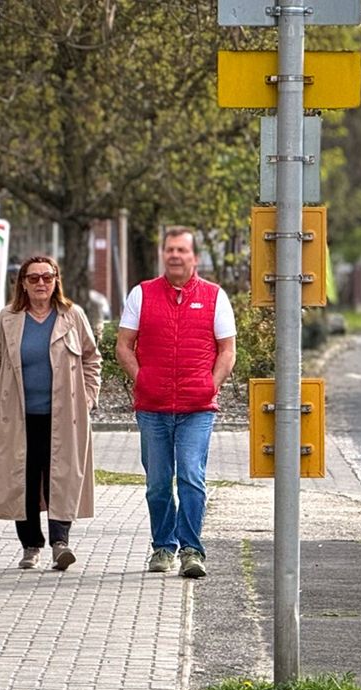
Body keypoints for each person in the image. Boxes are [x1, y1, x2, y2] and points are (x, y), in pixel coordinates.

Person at [115, 227, 236, 579]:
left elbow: (227, 350)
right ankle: (163, 547)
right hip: (152, 408)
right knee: (157, 482)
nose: (175, 255)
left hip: (196, 409)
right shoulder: (142, 294)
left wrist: (209, 385)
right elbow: (124, 345)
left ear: (194, 257)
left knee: (190, 477)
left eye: (182, 250)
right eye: (170, 249)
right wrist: (142, 379)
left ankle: (192, 550)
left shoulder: (215, 297)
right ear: (162, 254)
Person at [0, 257, 102, 571]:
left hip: (64, 416)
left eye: (46, 277)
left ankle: (60, 542)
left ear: (56, 281)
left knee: (61, 477)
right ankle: (30, 545)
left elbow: (92, 359)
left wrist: (87, 398)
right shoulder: (8, 318)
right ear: (22, 283)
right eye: (33, 278)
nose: (40, 284)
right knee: (22, 478)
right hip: (17, 415)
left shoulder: (71, 315)